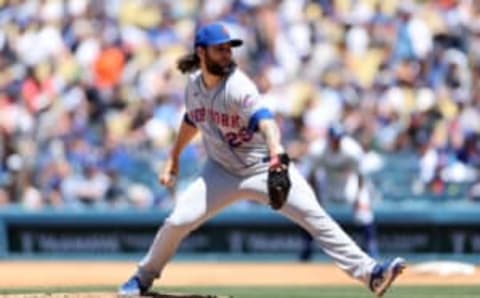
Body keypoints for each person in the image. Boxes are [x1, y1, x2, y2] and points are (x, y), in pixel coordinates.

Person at [118, 22, 405, 298]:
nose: (228, 54)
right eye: (220, 49)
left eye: (229, 48)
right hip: (219, 172)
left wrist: (276, 155)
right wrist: (173, 158)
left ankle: (371, 274)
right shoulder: (193, 86)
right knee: (178, 221)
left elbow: (266, 122)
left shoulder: (238, 86)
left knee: (316, 219)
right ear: (201, 53)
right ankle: (142, 277)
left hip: (261, 168)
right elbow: (191, 120)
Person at [299, 124, 379, 262]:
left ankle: (371, 247)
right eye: (334, 138)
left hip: (349, 183)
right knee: (310, 213)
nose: (336, 141)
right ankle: (307, 248)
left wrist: (358, 199)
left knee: (364, 213)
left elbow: (360, 176)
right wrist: (315, 196)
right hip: (327, 184)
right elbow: (311, 176)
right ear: (328, 138)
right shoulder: (317, 149)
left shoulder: (352, 150)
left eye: (338, 138)